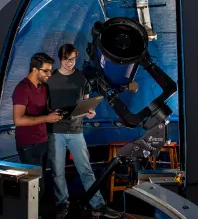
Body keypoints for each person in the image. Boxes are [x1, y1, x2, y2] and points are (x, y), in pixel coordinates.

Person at [47, 44, 120, 219]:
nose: (70, 63)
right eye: (66, 60)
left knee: (86, 170)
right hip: (55, 131)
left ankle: (98, 204)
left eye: (73, 59)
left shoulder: (81, 79)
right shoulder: (50, 79)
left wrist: (90, 112)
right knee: (57, 171)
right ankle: (62, 203)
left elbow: (86, 104)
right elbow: (43, 104)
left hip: (76, 131)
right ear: (60, 59)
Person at [12, 52, 63, 218]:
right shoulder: (22, 89)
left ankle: (36, 214)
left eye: (50, 71)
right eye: (46, 71)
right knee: (33, 186)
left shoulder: (43, 88)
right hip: (28, 144)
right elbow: (18, 120)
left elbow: (43, 111)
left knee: (40, 185)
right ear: (34, 69)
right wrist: (46, 118)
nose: (49, 74)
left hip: (42, 140)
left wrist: (53, 114)